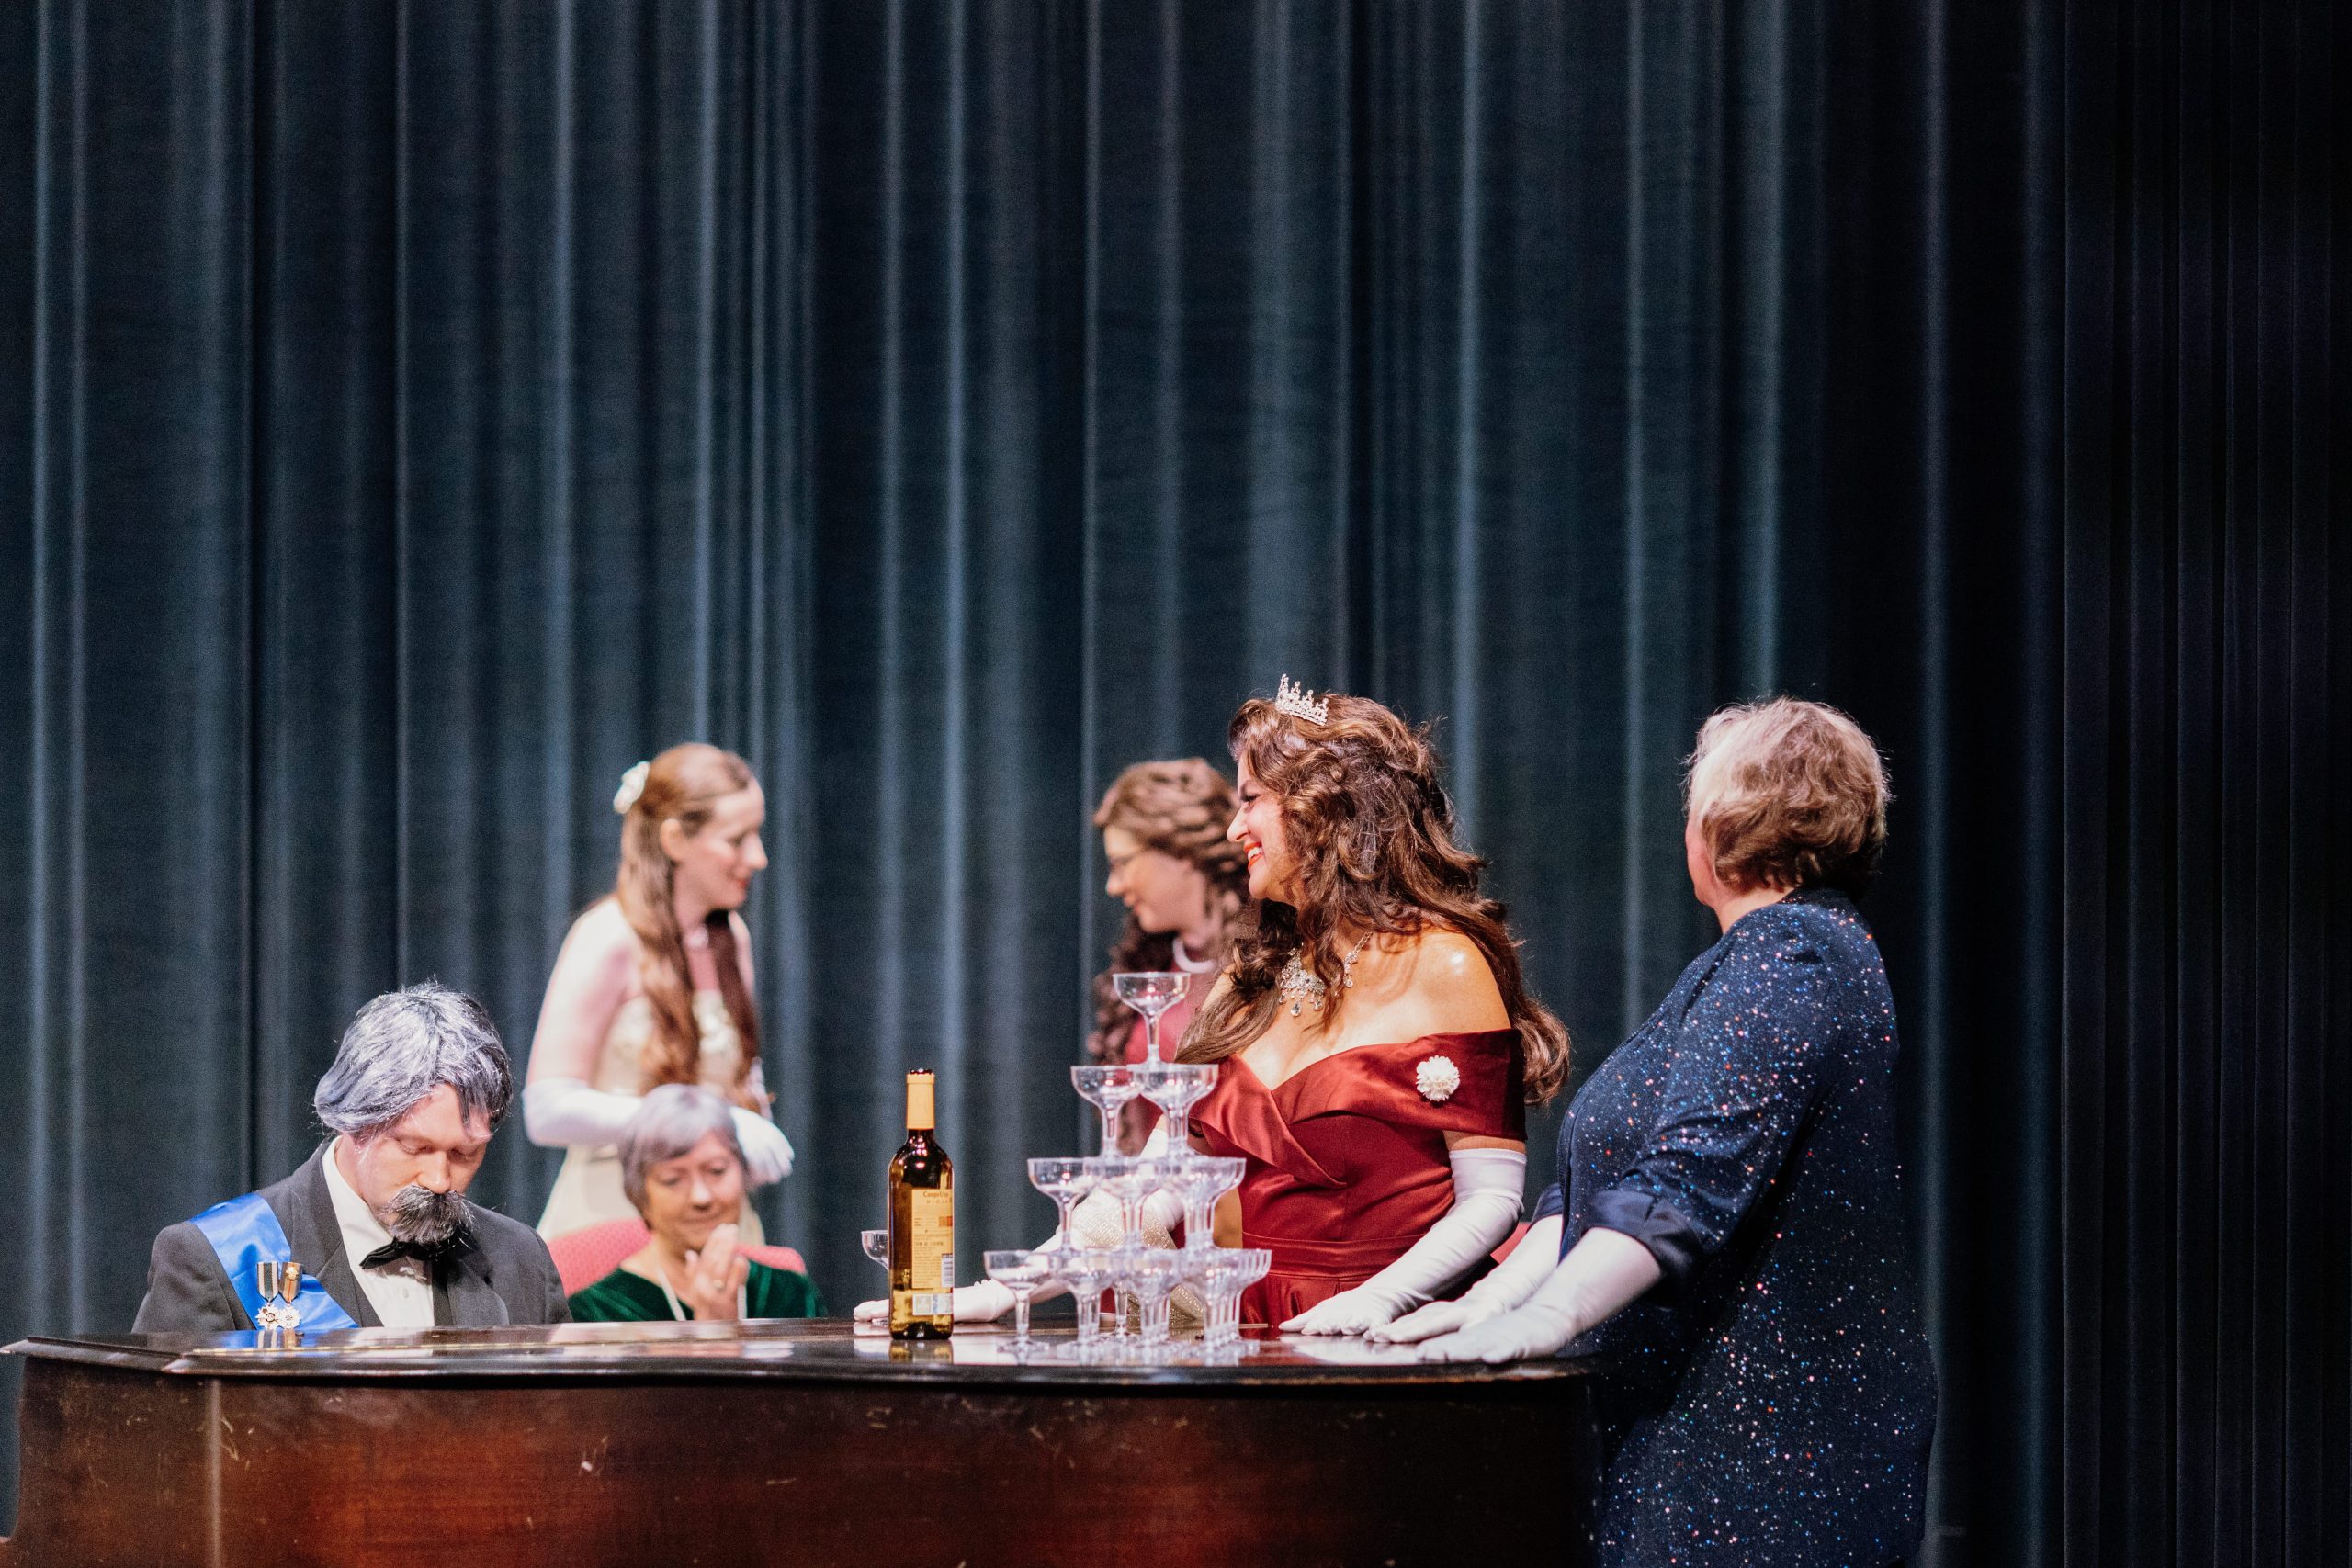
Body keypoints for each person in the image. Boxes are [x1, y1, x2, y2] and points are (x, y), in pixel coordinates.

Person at [1390, 698, 1936, 1567]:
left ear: (1716, 824)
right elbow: (1603, 1194)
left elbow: (1683, 1186)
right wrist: (1488, 1306)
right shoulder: (1750, 959)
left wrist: (1552, 1316)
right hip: (1692, 1439)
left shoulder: (1792, 955)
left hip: (1762, 1459)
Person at [1181, 677, 1570, 1328]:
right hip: (1251, 1330)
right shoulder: (1248, 979)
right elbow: (1163, 1178)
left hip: (1391, 1333)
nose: (1232, 828)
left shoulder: (1445, 962)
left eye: (1250, 800)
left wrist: (1380, 1299)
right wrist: (1026, 1279)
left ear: (1322, 807)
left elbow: (1493, 1198)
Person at [134, 983, 569, 1332]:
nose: (440, 1180)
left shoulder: (522, 1261)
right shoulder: (216, 1259)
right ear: (354, 1122)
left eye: (464, 1153)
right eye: (414, 1148)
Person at [526, 743, 795, 1241]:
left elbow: (739, 1072)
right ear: (675, 840)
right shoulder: (607, 936)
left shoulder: (730, 938)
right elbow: (545, 1111)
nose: (757, 858)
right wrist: (713, 1124)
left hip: (718, 1224)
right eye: (737, 840)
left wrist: (752, 1124)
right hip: (615, 1224)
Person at [1090, 759, 1249, 1149]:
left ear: (1182, 853)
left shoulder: (1265, 962)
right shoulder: (1147, 964)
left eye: (1122, 864)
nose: (1113, 886)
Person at [567, 1085, 824, 1323]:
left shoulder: (792, 1295)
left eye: (717, 1171)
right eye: (673, 1180)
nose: (701, 1197)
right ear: (639, 1194)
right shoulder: (594, 1312)